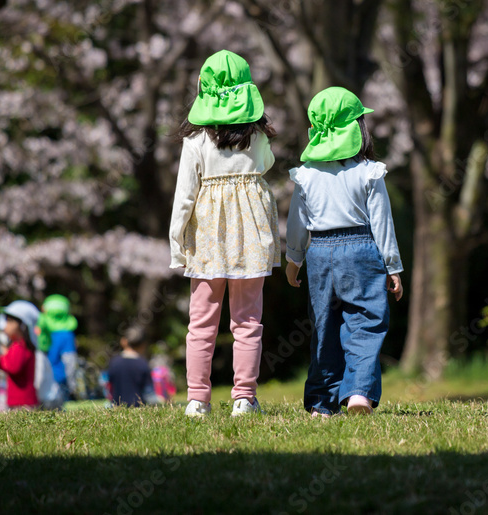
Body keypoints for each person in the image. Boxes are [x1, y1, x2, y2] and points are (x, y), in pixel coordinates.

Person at [169, 50, 280, 418]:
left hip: (207, 243)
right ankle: (243, 399)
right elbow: (266, 166)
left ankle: (197, 399)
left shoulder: (195, 143)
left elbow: (184, 198)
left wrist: (176, 243)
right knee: (248, 321)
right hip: (250, 239)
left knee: (201, 323)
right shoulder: (259, 138)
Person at [285, 87, 404, 417]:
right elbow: (382, 223)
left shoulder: (306, 174)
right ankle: (358, 394)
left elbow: (297, 223)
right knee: (366, 322)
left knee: (324, 328)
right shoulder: (369, 171)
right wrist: (392, 265)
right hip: (362, 250)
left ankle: (321, 405)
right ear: (357, 129)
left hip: (320, 253)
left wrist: (294, 259)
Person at [0, 300, 40, 409]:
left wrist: (0, 361)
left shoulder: (21, 347)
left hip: (23, 400)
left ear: (22, 325)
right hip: (16, 399)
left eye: (9, 321)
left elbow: (14, 368)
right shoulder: (16, 346)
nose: (6, 326)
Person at [38, 294, 79, 399]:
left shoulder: (44, 324)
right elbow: (70, 360)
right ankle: (70, 392)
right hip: (65, 377)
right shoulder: (68, 331)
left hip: (51, 375)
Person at [105, 326, 156, 407]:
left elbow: (109, 388)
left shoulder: (114, 362)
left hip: (116, 406)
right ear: (143, 345)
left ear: (123, 342)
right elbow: (148, 393)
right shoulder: (143, 363)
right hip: (138, 406)